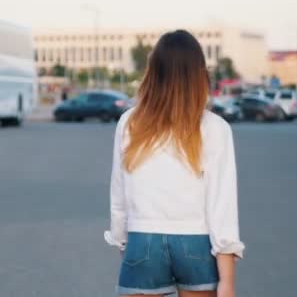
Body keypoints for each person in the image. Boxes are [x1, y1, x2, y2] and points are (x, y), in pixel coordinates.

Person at [104, 30, 244, 297]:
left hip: (142, 239)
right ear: (200, 75)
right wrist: (227, 282)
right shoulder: (215, 128)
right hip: (196, 243)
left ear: (152, 73)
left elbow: (118, 196)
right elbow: (222, 206)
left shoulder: (130, 123)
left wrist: (126, 244)